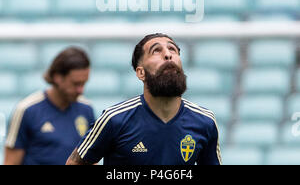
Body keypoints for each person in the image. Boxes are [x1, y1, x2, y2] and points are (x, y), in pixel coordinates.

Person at [66, 33, 221, 165]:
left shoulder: (205, 121)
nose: (168, 54)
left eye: (172, 49)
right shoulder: (114, 119)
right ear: (141, 73)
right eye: (156, 51)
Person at [4, 47, 95, 165]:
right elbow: (11, 162)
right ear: (58, 77)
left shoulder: (86, 109)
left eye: (84, 84)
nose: (81, 90)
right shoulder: (27, 110)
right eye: (76, 84)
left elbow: (90, 159)